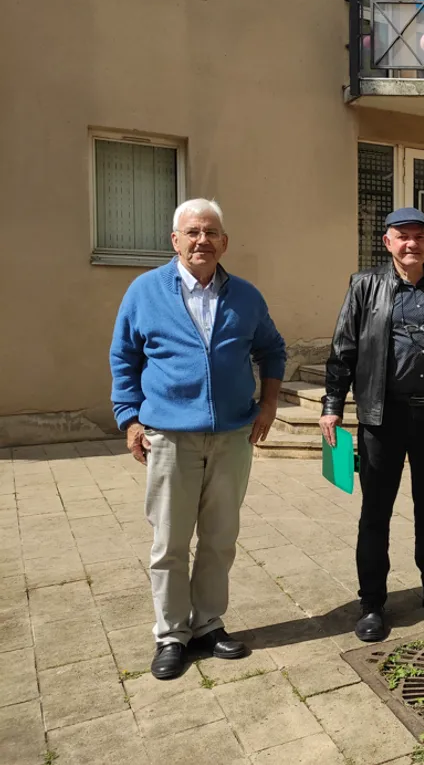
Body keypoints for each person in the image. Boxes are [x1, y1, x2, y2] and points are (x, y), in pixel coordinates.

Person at [109, 198, 285, 680]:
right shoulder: (145, 292)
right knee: (169, 541)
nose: (201, 240)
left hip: (232, 437)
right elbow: (124, 357)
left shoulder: (245, 296)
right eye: (192, 232)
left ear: (224, 242)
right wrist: (129, 419)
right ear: (175, 240)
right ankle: (171, 635)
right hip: (169, 437)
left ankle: (207, 624)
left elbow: (272, 349)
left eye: (210, 233)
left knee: (220, 537)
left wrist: (269, 404)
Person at [319, 207, 424, 642]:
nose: (411, 244)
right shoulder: (365, 286)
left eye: (419, 236)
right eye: (402, 236)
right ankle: (372, 602)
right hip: (382, 417)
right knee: (376, 511)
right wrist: (333, 404)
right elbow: (343, 349)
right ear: (387, 243)